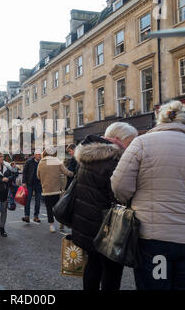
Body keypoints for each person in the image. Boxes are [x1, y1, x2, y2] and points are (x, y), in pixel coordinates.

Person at [111, 100, 185, 290]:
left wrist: (135, 202)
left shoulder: (141, 144)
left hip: (154, 241)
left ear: (160, 121)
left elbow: (120, 187)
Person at [71, 122, 138, 290]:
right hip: (109, 226)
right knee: (112, 272)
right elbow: (119, 194)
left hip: (86, 223)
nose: (132, 146)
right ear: (117, 139)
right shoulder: (114, 160)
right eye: (130, 142)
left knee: (93, 265)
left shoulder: (88, 157)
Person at [37, 146, 74, 233]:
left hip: (46, 190)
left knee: (49, 208)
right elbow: (67, 173)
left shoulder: (41, 163)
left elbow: (38, 176)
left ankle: (51, 225)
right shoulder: (57, 161)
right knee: (59, 207)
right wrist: (74, 174)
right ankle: (62, 222)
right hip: (57, 189)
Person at [22, 149, 43, 223]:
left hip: (39, 184)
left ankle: (36, 216)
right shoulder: (29, 162)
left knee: (38, 201)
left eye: (40, 154)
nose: (39, 156)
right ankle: (27, 216)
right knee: (28, 200)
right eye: (37, 154)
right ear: (34, 155)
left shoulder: (42, 162)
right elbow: (24, 172)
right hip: (29, 184)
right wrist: (24, 182)